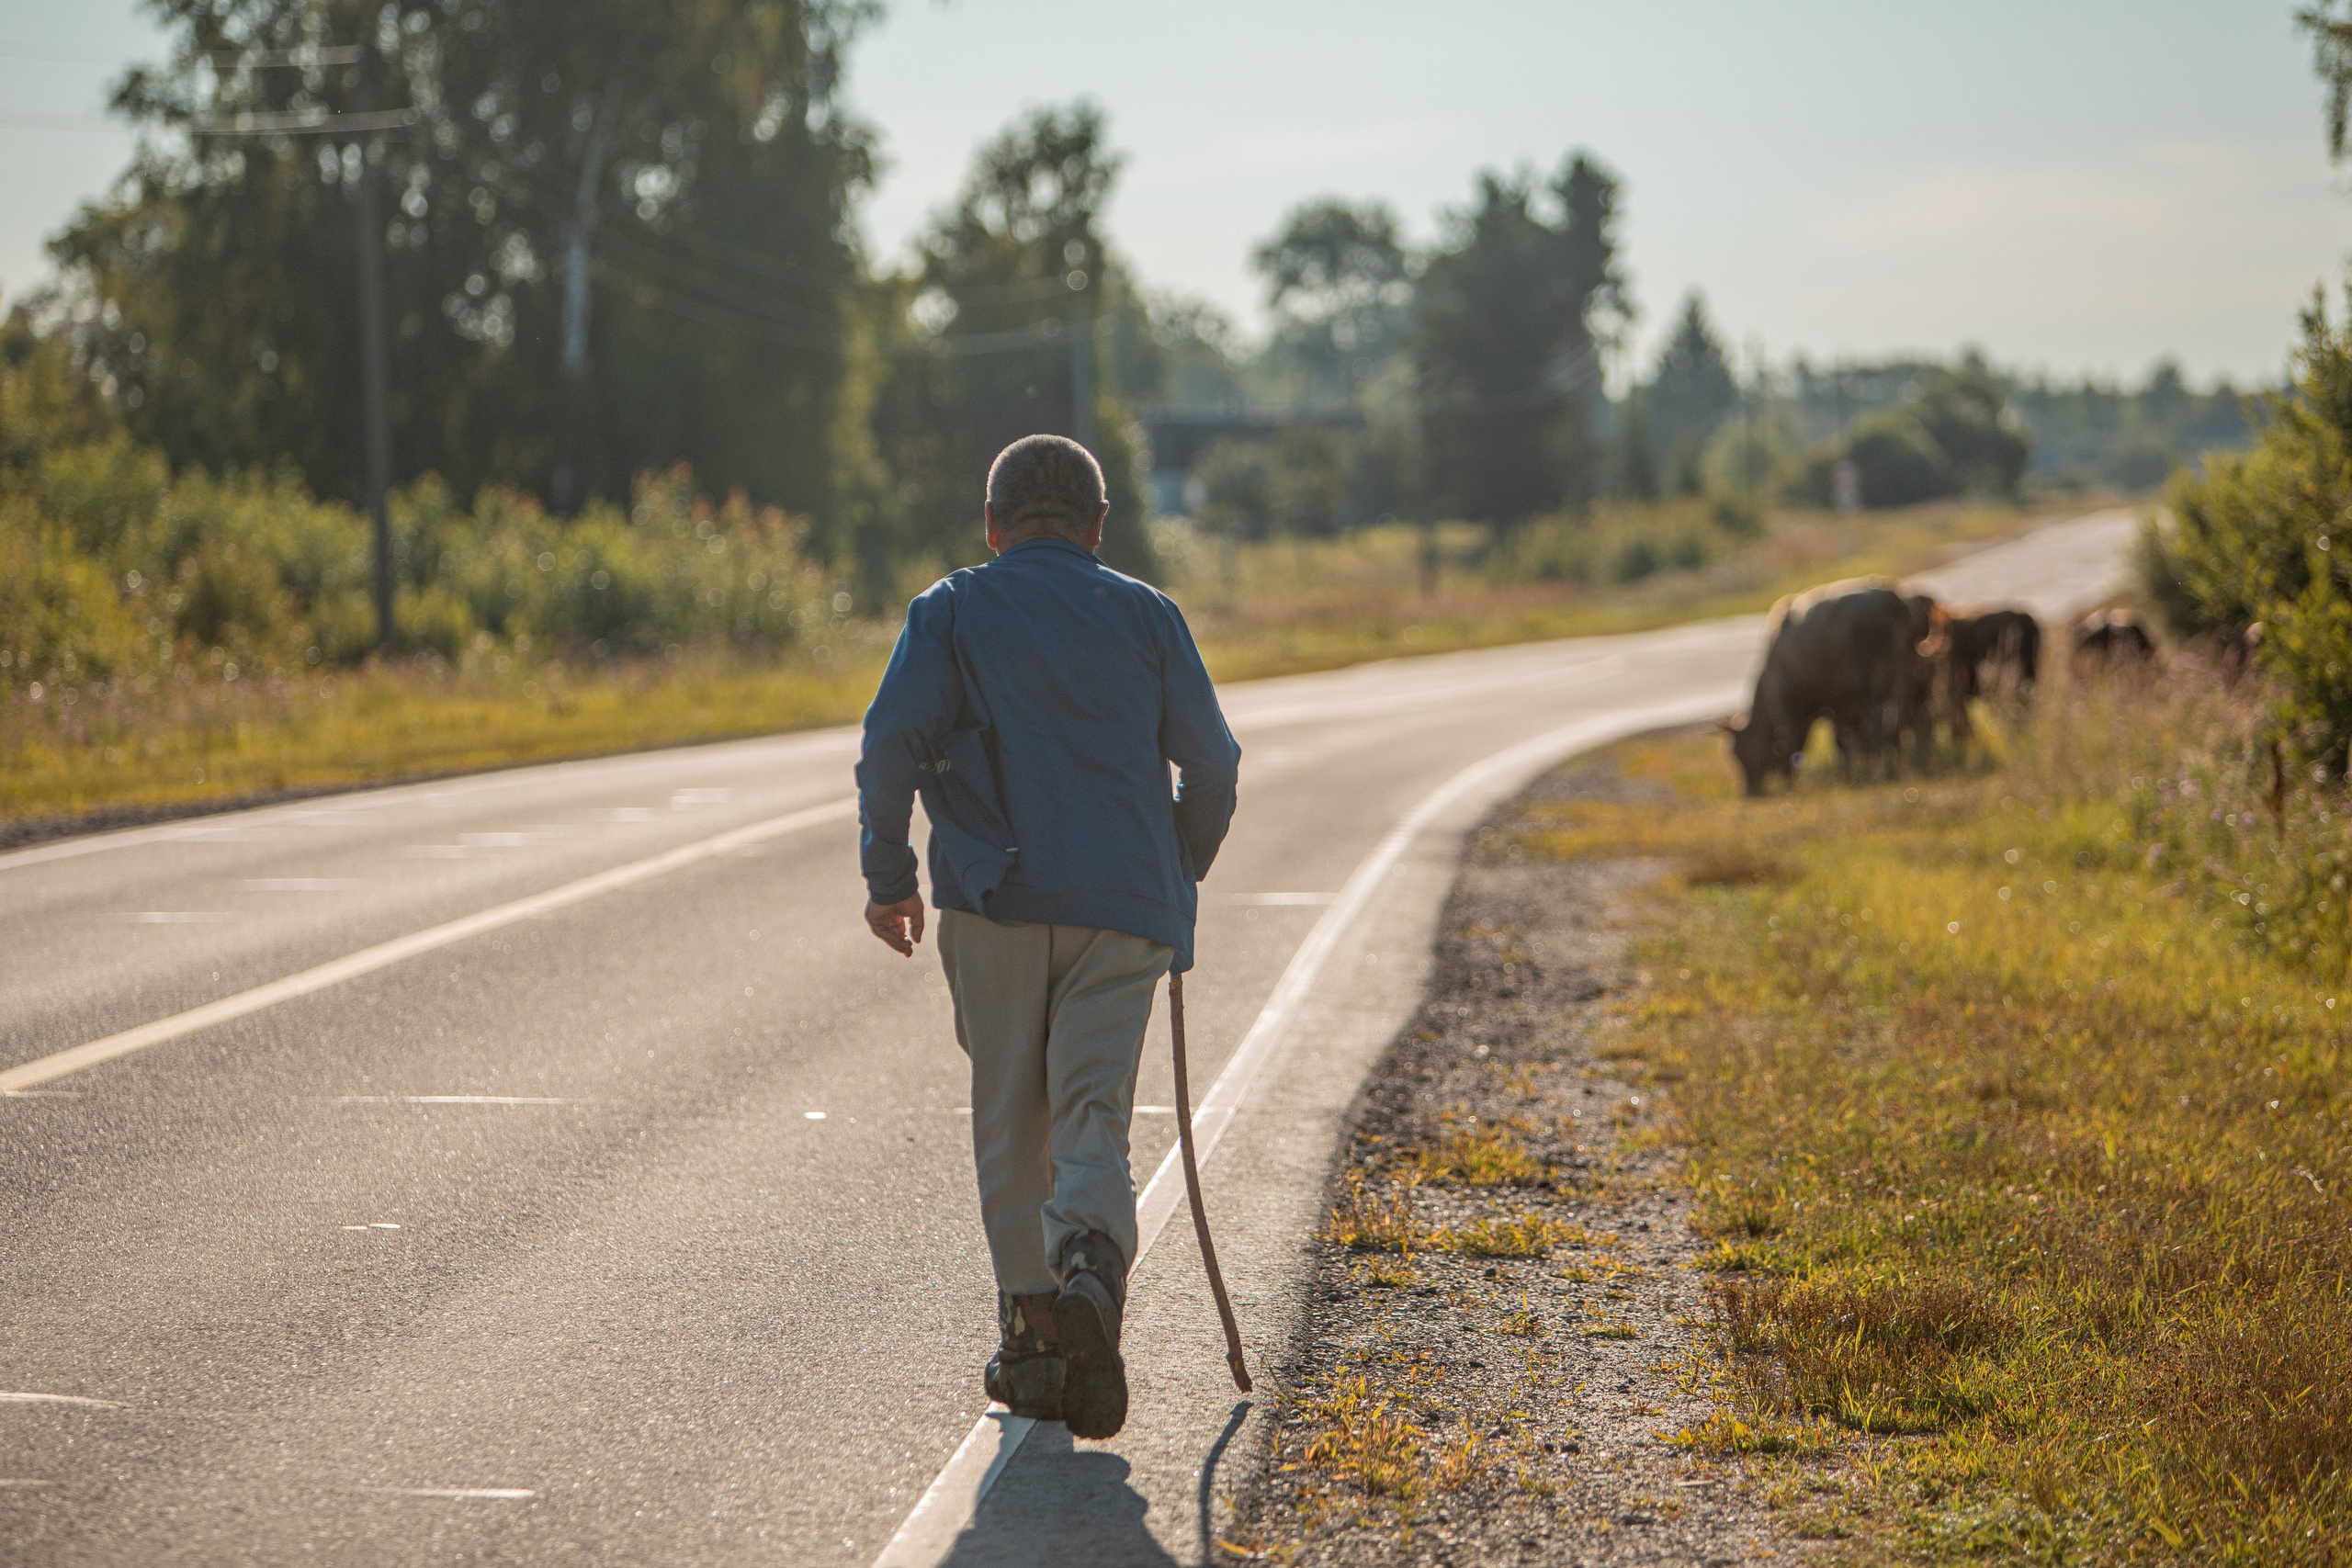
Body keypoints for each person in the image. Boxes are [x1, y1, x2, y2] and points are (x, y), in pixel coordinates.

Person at [855, 434, 1241, 1441]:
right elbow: (1214, 764)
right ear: (1098, 525)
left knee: (1008, 1122)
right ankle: (1092, 1278)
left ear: (991, 527)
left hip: (993, 903)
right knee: (1091, 1112)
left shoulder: (949, 611)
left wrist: (889, 879)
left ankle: (1032, 1343)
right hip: (1124, 913)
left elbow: (888, 744)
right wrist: (1175, 864)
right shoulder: (1149, 614)